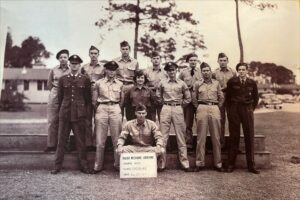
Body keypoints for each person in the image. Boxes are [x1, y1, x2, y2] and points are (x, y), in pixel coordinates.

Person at [51, 55, 92, 174]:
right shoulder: (63, 79)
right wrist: (61, 113)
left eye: (76, 64)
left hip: (79, 115)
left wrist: (86, 115)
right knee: (61, 141)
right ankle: (57, 166)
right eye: (72, 64)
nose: (74, 66)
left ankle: (84, 166)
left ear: (80, 66)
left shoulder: (85, 79)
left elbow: (87, 99)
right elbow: (60, 97)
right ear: (69, 65)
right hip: (65, 114)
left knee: (80, 142)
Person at [156, 62, 193, 172]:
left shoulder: (182, 83)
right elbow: (158, 96)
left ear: (176, 71)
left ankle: (184, 163)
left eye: (173, 70)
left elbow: (188, 98)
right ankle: (161, 163)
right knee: (163, 137)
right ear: (166, 72)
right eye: (169, 70)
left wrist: (180, 106)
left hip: (177, 108)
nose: (171, 72)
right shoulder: (162, 83)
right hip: (166, 108)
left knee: (181, 137)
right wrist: (164, 104)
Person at [226, 63, 260, 174]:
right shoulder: (232, 82)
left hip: (247, 109)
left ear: (247, 71)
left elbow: (255, 98)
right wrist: (230, 111)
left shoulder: (252, 83)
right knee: (234, 136)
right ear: (237, 71)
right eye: (239, 70)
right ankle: (231, 164)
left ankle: (251, 166)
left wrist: (250, 109)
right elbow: (228, 98)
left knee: (249, 136)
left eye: (243, 69)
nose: (241, 71)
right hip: (234, 109)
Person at [192, 62, 225, 172]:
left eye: (207, 70)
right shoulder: (197, 84)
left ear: (211, 71)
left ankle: (218, 164)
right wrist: (199, 107)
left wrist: (217, 107)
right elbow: (194, 98)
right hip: (202, 108)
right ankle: (199, 163)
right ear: (201, 73)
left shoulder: (216, 83)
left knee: (216, 137)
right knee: (201, 137)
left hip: (214, 107)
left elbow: (221, 97)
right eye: (204, 71)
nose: (206, 72)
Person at [92, 61, 124, 173]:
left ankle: (118, 164)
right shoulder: (99, 83)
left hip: (115, 107)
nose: (112, 72)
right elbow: (94, 101)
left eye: (114, 69)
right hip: (102, 108)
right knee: (100, 140)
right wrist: (101, 109)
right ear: (105, 70)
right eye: (109, 69)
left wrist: (115, 107)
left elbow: (122, 101)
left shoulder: (120, 84)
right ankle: (98, 165)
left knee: (117, 139)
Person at [81, 45, 105, 151]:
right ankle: (88, 144)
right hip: (86, 95)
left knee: (98, 120)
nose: (94, 55)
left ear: (98, 54)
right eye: (92, 53)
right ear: (89, 54)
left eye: (96, 53)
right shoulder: (84, 67)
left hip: (99, 96)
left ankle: (96, 143)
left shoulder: (103, 68)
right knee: (87, 120)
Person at [45, 49, 70, 152]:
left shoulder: (72, 69)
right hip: (55, 94)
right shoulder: (54, 69)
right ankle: (51, 145)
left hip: (67, 95)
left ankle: (65, 145)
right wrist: (55, 92)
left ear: (68, 58)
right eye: (61, 57)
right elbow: (49, 84)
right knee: (52, 120)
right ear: (58, 59)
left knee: (66, 121)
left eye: (65, 57)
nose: (63, 59)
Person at [179, 53, 202, 150]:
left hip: (199, 101)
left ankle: (200, 145)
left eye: (195, 60)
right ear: (188, 61)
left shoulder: (201, 71)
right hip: (188, 102)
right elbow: (179, 85)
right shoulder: (183, 72)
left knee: (200, 123)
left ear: (197, 61)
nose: (193, 62)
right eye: (191, 60)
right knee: (188, 124)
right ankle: (189, 144)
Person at [212, 53, 235, 147]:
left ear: (227, 61)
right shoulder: (214, 73)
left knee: (233, 120)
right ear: (218, 61)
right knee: (220, 121)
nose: (222, 62)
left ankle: (233, 144)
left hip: (231, 99)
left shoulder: (233, 72)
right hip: (219, 99)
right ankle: (221, 143)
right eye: (220, 60)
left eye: (224, 60)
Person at [113, 41, 139, 120]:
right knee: (118, 112)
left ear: (129, 50)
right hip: (118, 87)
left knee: (130, 112)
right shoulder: (115, 61)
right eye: (123, 49)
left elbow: (137, 76)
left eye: (126, 49)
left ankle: (130, 131)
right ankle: (118, 131)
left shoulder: (135, 62)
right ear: (120, 50)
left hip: (130, 86)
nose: (125, 51)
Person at [144, 51, 168, 122]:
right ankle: (151, 133)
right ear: (151, 60)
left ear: (160, 60)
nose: (156, 60)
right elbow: (143, 83)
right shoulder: (146, 71)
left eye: (158, 58)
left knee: (163, 119)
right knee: (151, 119)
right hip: (150, 96)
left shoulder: (165, 72)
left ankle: (162, 133)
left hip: (162, 96)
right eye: (154, 58)